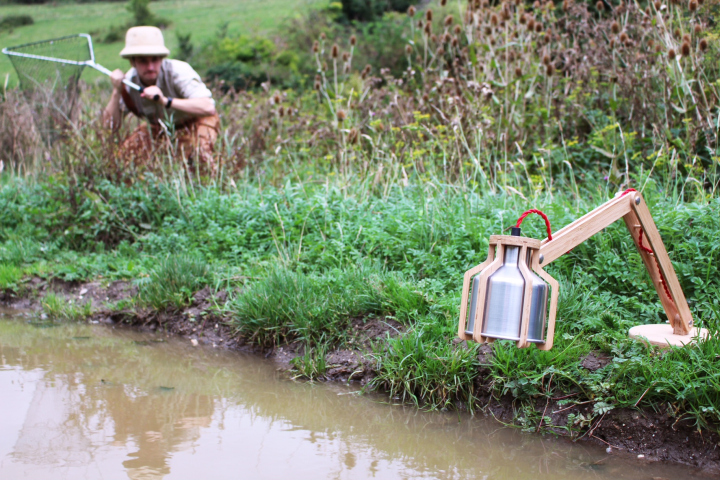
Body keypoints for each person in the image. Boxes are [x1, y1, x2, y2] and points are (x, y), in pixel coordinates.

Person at [103, 26, 219, 172]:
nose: (150, 66)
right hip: (158, 127)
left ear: (162, 59)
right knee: (123, 159)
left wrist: (165, 101)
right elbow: (108, 128)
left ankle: (216, 189)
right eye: (143, 61)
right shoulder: (128, 83)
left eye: (155, 60)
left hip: (196, 120)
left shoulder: (178, 71)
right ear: (133, 62)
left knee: (201, 157)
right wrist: (116, 91)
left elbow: (208, 107)